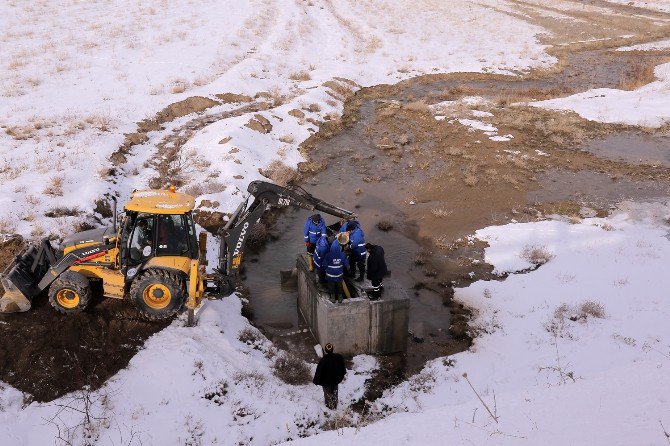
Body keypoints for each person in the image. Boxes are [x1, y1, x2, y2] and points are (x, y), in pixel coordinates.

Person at [313, 343, 346, 409]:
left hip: (326, 382)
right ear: (332, 349)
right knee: (335, 391)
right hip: (335, 380)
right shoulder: (338, 357)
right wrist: (341, 376)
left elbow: (319, 372)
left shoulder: (323, 361)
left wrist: (316, 381)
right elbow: (343, 368)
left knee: (327, 393)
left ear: (325, 350)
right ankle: (335, 404)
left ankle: (330, 406)